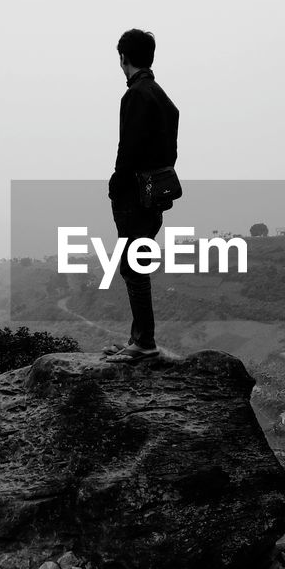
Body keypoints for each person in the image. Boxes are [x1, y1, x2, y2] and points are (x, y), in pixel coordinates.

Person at [106, 28, 180, 360]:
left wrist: (116, 184)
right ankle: (139, 338)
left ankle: (144, 343)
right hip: (157, 191)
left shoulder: (135, 95)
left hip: (135, 194)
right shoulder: (163, 97)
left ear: (124, 58)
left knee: (132, 265)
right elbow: (170, 149)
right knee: (138, 262)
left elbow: (128, 148)